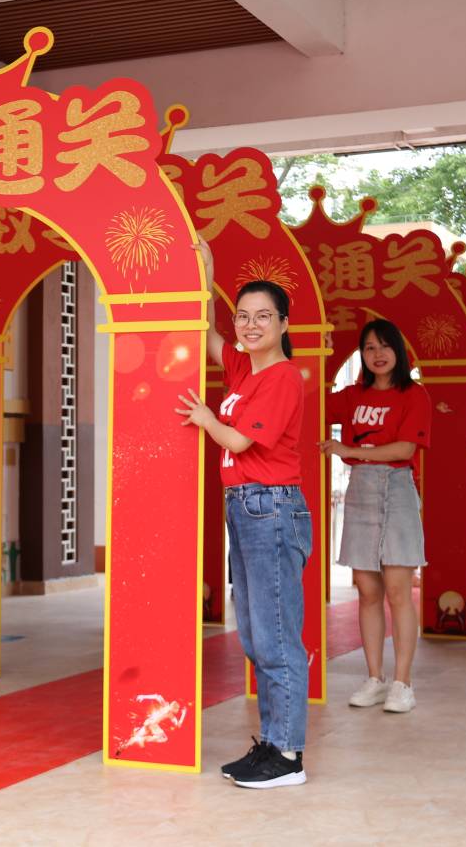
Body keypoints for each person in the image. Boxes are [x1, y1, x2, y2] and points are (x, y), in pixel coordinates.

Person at [176, 268, 312, 790]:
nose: (251, 325)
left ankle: (288, 756)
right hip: (247, 506)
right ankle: (273, 744)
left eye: (264, 317)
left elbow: (238, 442)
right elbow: (208, 334)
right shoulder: (244, 370)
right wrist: (205, 275)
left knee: (276, 637)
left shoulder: (282, 377)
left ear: (284, 324)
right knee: (257, 637)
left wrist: (205, 418)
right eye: (243, 316)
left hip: (270, 506)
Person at [320, 319, 430, 713]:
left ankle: (403, 683)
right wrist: (322, 352)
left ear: (398, 351)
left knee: (398, 591)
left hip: (397, 489)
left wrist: (349, 450)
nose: (377, 354)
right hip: (361, 489)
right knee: (367, 591)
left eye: (384, 346)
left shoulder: (414, 395)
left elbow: (404, 449)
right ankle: (374, 679)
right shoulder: (352, 395)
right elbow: (309, 398)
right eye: (369, 347)